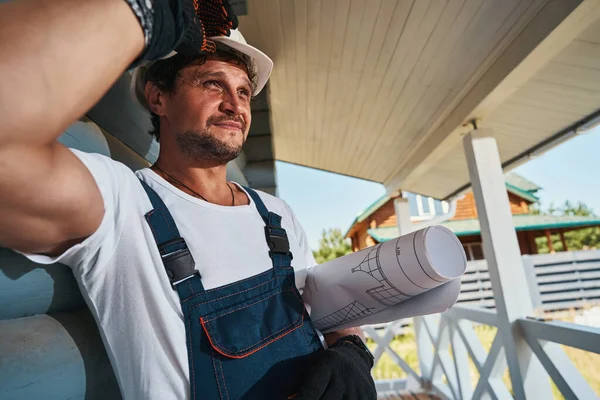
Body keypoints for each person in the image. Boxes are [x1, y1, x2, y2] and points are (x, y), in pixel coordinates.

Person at [0, 0, 377, 399]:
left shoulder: (276, 215)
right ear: (158, 98)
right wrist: (145, 12)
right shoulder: (123, 205)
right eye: (213, 84)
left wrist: (351, 347)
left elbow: (325, 306)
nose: (235, 105)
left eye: (244, 92)